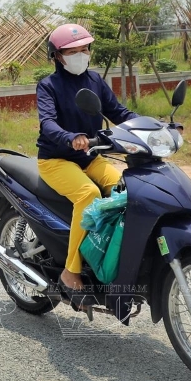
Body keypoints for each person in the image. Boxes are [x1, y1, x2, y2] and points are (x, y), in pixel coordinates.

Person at [36, 23, 135, 294]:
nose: (80, 55)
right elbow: (47, 123)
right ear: (57, 56)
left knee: (126, 189)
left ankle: (109, 252)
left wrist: (153, 125)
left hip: (90, 156)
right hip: (56, 160)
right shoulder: (48, 86)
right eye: (72, 52)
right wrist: (70, 137)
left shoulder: (94, 81)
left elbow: (118, 112)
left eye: (84, 49)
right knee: (88, 194)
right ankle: (71, 270)